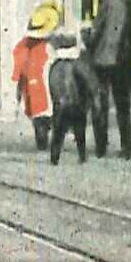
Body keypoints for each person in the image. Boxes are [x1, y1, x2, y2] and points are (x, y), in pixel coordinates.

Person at [89, 0, 131, 159]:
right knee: (122, 106)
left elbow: (97, 31)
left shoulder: (107, 3)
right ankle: (127, 147)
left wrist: (89, 42)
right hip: (124, 60)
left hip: (103, 60)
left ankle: (101, 146)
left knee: (101, 104)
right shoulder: (129, 3)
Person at [11, 2, 63, 151]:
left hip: (35, 89)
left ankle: (43, 134)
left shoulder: (24, 46)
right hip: (41, 85)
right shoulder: (45, 47)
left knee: (39, 108)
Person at [46, 28, 101, 165]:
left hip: (60, 104)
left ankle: (55, 157)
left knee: (58, 131)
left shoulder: (55, 66)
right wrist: (94, 97)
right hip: (77, 103)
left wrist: (56, 99)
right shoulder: (79, 64)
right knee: (79, 130)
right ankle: (82, 155)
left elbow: (52, 85)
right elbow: (89, 81)